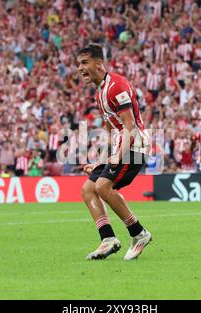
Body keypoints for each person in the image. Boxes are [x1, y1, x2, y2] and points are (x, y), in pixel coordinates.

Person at [76, 44, 152, 261]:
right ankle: (108, 239)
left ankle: (139, 234)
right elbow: (111, 131)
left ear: (99, 64)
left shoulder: (116, 87)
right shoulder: (100, 92)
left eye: (84, 63)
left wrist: (119, 155)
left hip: (134, 147)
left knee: (102, 186)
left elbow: (129, 126)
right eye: (78, 64)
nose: (80, 69)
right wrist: (99, 161)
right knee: (88, 189)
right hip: (121, 147)